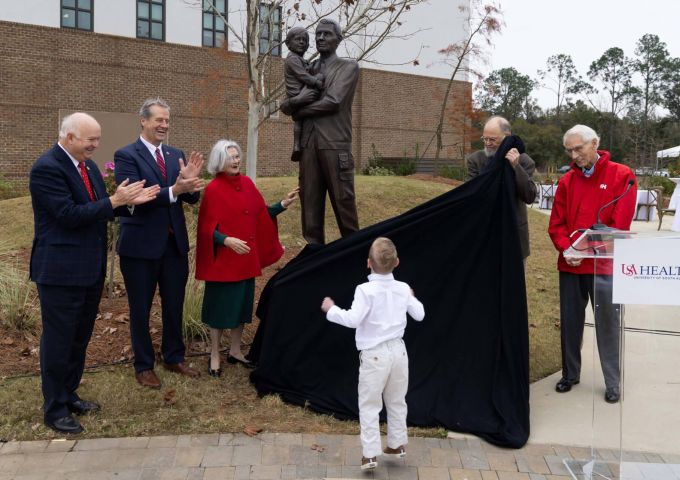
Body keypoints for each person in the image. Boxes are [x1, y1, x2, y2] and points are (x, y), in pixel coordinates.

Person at [29, 112, 160, 433]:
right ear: (69, 137)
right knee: (59, 342)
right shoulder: (47, 168)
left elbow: (101, 208)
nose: (96, 145)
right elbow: (68, 215)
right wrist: (115, 200)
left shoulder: (87, 167)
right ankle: (54, 409)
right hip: (60, 272)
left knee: (78, 339)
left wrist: (127, 202)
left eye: (97, 139)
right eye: (91, 140)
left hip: (89, 270)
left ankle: (69, 393)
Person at [114, 97, 205, 389]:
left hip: (173, 245)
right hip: (140, 247)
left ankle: (173, 356)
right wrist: (175, 189)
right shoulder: (126, 155)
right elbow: (137, 199)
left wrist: (190, 184)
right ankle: (143, 365)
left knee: (174, 305)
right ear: (143, 121)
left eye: (167, 120)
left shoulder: (175, 153)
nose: (164, 125)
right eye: (159, 120)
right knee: (140, 308)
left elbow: (189, 198)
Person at [548, 124, 636, 404]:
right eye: (569, 150)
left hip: (605, 267)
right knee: (570, 325)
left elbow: (619, 225)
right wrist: (566, 248)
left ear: (594, 143)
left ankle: (612, 382)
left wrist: (589, 249)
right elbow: (556, 225)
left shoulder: (622, 176)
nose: (574, 155)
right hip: (572, 265)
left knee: (608, 325)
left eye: (579, 148)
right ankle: (570, 373)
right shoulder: (566, 182)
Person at [321, 237, 425, 470]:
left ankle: (369, 455)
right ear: (397, 262)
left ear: (368, 262)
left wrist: (332, 310)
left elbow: (352, 319)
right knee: (397, 400)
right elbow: (420, 315)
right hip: (399, 352)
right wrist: (411, 295)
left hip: (375, 356)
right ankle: (397, 444)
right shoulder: (402, 288)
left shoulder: (364, 290)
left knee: (369, 404)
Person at [195, 139, 298, 374]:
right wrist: (226, 240)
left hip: (245, 259)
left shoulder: (248, 184)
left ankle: (235, 350)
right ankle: (214, 355)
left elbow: (260, 214)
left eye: (237, 156)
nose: (236, 160)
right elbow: (205, 229)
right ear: (220, 161)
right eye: (231, 157)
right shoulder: (213, 189)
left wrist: (282, 204)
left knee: (242, 309)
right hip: (223, 262)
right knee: (219, 311)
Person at [280, 19, 360, 245]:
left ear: (339, 39)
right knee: (310, 207)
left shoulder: (348, 67)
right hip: (308, 148)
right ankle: (313, 258)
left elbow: (333, 102)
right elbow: (285, 106)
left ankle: (353, 255)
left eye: (326, 34)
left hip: (335, 146)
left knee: (344, 205)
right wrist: (296, 103)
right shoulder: (306, 67)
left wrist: (300, 110)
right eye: (318, 35)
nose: (320, 39)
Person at [466, 116, 537, 260]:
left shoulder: (525, 161)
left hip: (514, 236)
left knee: (514, 281)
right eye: (484, 139)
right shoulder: (476, 160)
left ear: (507, 137)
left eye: (492, 139)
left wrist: (516, 167)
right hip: (484, 234)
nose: (487, 143)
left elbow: (529, 196)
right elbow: (470, 196)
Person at [283, 26, 324, 162]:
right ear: (288, 43)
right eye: (298, 39)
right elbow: (302, 76)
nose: (301, 42)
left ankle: (297, 146)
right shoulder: (292, 59)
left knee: (299, 119)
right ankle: (296, 144)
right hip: (297, 92)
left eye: (304, 40)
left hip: (299, 93)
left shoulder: (300, 59)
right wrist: (316, 82)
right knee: (319, 78)